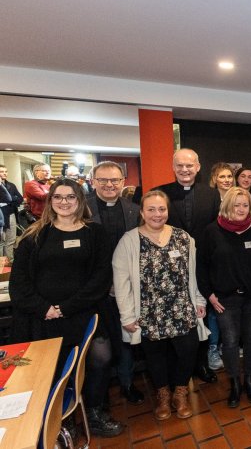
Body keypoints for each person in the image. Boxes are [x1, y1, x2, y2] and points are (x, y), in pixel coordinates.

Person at [9, 178, 121, 434]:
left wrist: (66, 307)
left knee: (101, 358)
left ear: (80, 200)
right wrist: (45, 308)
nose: (64, 202)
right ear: (50, 201)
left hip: (85, 311)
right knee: (55, 367)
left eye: (71, 197)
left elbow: (101, 277)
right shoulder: (35, 235)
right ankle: (60, 417)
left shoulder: (95, 233)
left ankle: (94, 412)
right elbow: (19, 281)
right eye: (58, 197)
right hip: (44, 318)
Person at [113, 190, 209, 419]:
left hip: (182, 308)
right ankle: (163, 395)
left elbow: (194, 273)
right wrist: (127, 316)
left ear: (168, 211)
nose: (157, 214)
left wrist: (198, 299)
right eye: (151, 209)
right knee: (156, 357)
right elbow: (121, 282)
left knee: (188, 351)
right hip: (149, 312)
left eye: (161, 209)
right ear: (142, 212)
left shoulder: (183, 237)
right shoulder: (129, 241)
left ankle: (180, 393)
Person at [196, 187, 251, 408]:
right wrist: (210, 296)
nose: (241, 209)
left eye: (245, 205)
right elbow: (201, 267)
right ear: (227, 206)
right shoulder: (211, 231)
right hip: (224, 300)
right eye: (236, 205)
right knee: (230, 342)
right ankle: (234, 383)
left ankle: (249, 379)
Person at [154, 148, 220, 384]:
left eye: (189, 165)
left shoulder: (211, 194)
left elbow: (215, 229)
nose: (185, 170)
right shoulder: (160, 193)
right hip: (169, 268)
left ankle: (201, 364)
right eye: (180, 165)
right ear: (173, 167)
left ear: (198, 167)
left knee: (202, 314)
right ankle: (177, 368)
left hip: (202, 265)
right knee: (173, 315)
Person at [87, 162, 145, 413]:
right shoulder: (81, 208)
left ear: (123, 182)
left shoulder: (134, 210)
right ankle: (99, 394)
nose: (109, 185)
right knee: (99, 342)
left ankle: (126, 383)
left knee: (126, 337)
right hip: (94, 290)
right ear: (93, 182)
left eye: (115, 180)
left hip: (127, 286)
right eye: (103, 180)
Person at [206, 162, 236, 371]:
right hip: (216, 259)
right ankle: (213, 348)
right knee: (215, 308)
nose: (226, 180)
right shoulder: (209, 200)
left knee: (232, 307)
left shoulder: (237, 198)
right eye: (222, 176)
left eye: (229, 176)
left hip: (235, 259)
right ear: (214, 179)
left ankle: (228, 345)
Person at [0, 165, 22, 258]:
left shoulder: (11, 185)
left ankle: (9, 261)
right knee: (1, 241)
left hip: (11, 214)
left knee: (11, 240)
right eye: (1, 172)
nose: (4, 173)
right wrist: (12, 199)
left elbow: (20, 199)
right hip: (1, 215)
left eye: (6, 171)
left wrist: (8, 200)